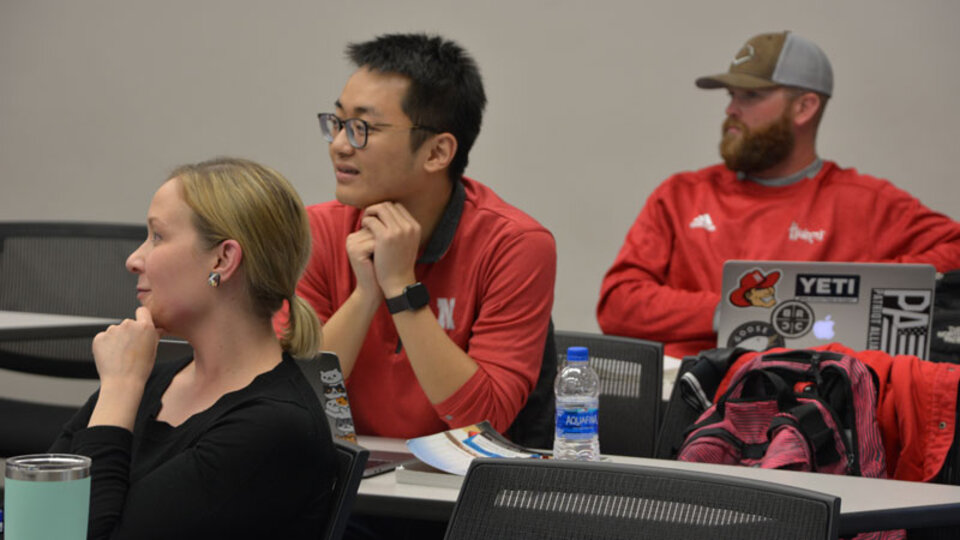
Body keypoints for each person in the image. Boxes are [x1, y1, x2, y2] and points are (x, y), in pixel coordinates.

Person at [598, 31, 960, 359]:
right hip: (687, 400)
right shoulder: (679, 196)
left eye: (751, 96)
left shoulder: (865, 202)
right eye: (731, 95)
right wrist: (733, 309)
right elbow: (617, 305)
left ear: (804, 107)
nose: (730, 109)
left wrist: (852, 289)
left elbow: (954, 252)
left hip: (810, 403)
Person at [278, 33, 557, 440]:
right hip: (342, 485)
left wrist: (401, 288)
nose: (339, 145)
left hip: (462, 492)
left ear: (436, 153)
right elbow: (289, 400)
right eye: (337, 123)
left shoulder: (515, 245)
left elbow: (485, 421)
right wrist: (365, 295)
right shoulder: (314, 232)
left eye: (363, 128)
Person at [51, 158, 337, 539]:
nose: (134, 259)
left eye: (157, 237)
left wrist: (118, 391)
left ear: (223, 259)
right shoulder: (151, 381)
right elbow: (40, 512)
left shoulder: (274, 429)